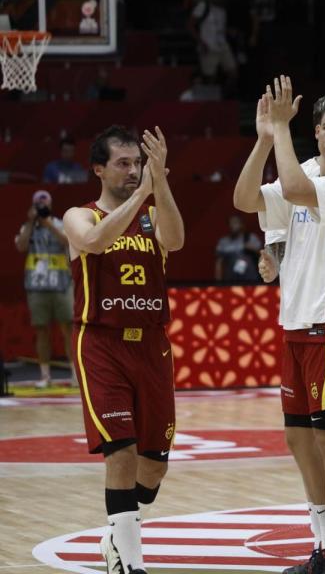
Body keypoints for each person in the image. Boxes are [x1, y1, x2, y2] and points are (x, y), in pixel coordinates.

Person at [234, 75, 325, 574]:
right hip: (295, 319)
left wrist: (281, 132)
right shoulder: (307, 168)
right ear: (315, 132)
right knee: (299, 438)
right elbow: (245, 199)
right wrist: (262, 139)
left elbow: (295, 188)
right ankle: (321, 546)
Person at [62, 124, 184, 574]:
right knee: (122, 451)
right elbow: (94, 242)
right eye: (124, 163)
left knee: (152, 469)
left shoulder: (153, 214)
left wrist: (161, 184)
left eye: (139, 163)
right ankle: (130, 563)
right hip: (101, 343)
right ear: (99, 169)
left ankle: (116, 533)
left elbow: (176, 241)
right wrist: (140, 196)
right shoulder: (80, 214)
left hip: (152, 344)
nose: (134, 171)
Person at [15, 189, 74, 387]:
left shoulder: (59, 224)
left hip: (62, 284)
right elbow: (21, 246)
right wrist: (32, 222)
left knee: (69, 328)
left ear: (50, 204)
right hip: (37, 285)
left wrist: (48, 224)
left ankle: (75, 374)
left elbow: (68, 242)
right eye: (39, 205)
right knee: (41, 330)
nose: (42, 207)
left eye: (45, 204)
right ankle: (45, 376)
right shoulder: (28, 227)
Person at [214, 214, 263, 282]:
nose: (232, 225)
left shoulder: (250, 238)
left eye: (235, 222)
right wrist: (218, 282)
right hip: (230, 279)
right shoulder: (224, 242)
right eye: (230, 223)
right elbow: (219, 262)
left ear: (242, 224)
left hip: (251, 279)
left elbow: (263, 255)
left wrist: (253, 248)